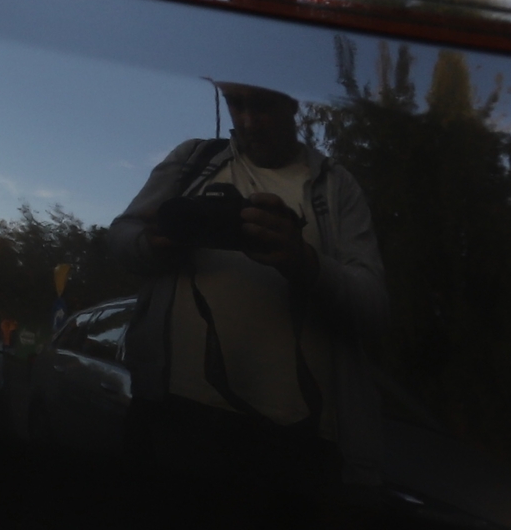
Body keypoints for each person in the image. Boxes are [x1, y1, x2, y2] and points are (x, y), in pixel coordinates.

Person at [106, 81, 388, 484]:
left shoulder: (336, 185)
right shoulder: (194, 158)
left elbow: (374, 310)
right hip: (171, 413)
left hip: (296, 441)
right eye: (235, 104)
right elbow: (120, 238)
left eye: (263, 106)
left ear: (293, 103)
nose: (247, 122)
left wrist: (302, 261)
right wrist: (152, 244)